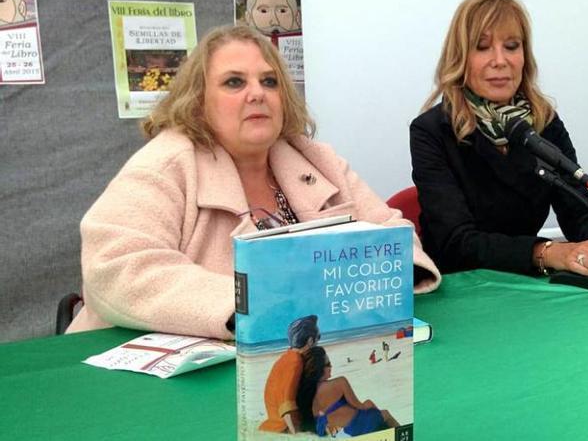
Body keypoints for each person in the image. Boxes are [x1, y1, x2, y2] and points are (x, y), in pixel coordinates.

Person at [67, 25, 440, 339]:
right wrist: (253, 303)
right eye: (234, 82)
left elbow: (393, 235)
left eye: (269, 81)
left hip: (304, 345)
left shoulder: (316, 159)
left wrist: (372, 281)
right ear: (198, 101)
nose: (257, 93)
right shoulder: (165, 163)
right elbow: (115, 267)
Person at [410, 0, 588, 283]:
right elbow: (456, 243)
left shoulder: (542, 121)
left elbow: (579, 210)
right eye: (482, 48)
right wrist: (548, 253)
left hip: (525, 283)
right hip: (462, 287)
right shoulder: (431, 131)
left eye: (512, 46)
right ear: (460, 58)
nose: (500, 60)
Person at [298, 346, 399, 437]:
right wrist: (369, 404)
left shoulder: (306, 395)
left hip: (330, 431)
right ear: (319, 368)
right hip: (353, 427)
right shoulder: (339, 382)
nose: (331, 367)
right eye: (328, 364)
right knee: (385, 414)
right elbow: (359, 405)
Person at [259, 315, 320, 434]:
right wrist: (295, 433)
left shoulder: (286, 357)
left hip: (276, 422)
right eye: (318, 337)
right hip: (282, 427)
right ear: (310, 341)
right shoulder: (295, 361)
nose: (318, 341)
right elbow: (286, 402)